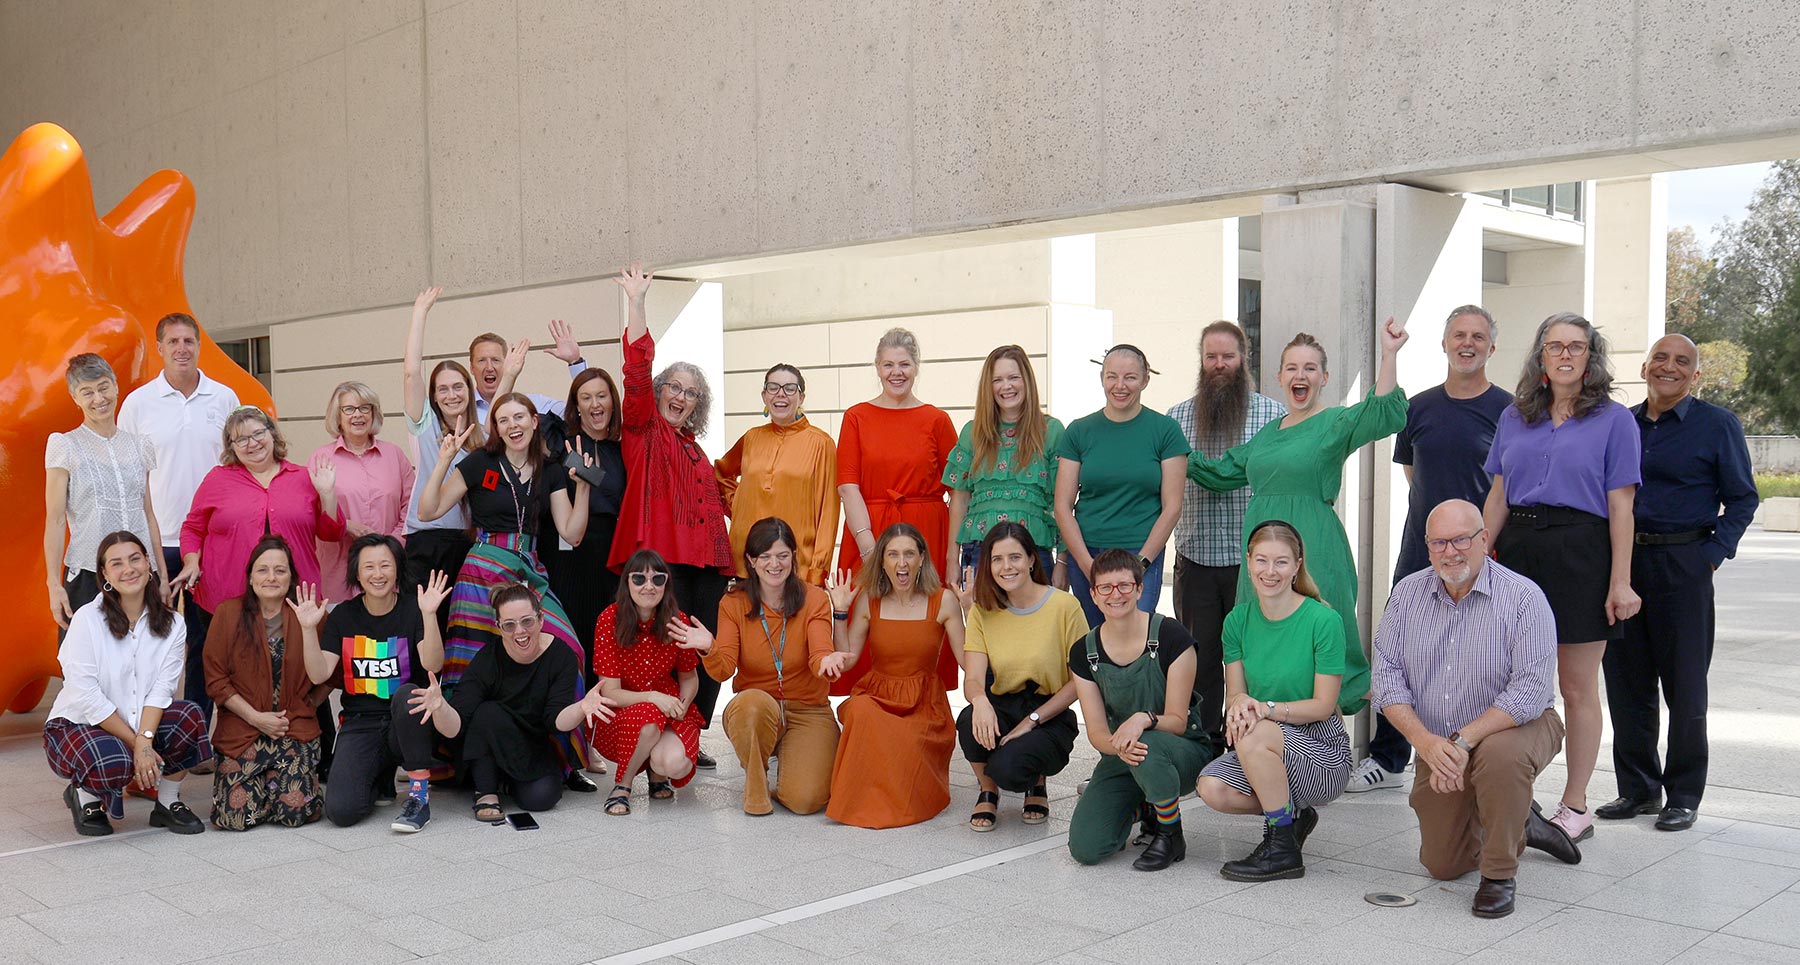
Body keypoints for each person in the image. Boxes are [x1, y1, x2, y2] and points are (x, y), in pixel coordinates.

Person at [1187, 320, 1412, 720]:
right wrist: (1170, 449)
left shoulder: (1335, 422)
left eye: (1310, 368)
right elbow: (1221, 472)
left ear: (1323, 377)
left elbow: (1384, 413)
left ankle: (1342, 749)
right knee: (1261, 634)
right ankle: (1260, 735)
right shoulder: (1267, 434)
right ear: (1279, 377)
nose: (1300, 375)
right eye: (1292, 368)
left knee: (1322, 637)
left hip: (1315, 548)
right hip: (1261, 553)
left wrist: (1389, 354)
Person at [1373, 500, 1582, 919]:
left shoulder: (1524, 598)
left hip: (1521, 726)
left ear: (1484, 539)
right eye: (1439, 543)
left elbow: (1529, 690)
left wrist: (1464, 741)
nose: (1450, 551)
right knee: (1443, 865)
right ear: (1427, 546)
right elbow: (1386, 680)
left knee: (1499, 757)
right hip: (1440, 741)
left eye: (1461, 540)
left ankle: (1500, 873)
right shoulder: (1406, 595)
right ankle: (1519, 818)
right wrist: (1426, 744)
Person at [1483, 312, 1642, 844]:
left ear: (1591, 357)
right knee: (1509, 681)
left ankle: (1575, 805)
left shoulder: (1616, 421)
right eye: (1555, 346)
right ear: (1541, 356)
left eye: (1577, 346)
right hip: (1520, 551)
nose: (1566, 354)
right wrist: (1476, 559)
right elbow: (1500, 495)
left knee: (1575, 686)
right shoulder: (1514, 416)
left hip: (1583, 553)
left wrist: (1620, 582)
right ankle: (1507, 795)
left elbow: (1622, 508)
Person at [1598, 334, 1758, 832]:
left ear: (1694, 375)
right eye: (1661, 358)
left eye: (1682, 362)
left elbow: (1743, 500)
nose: (1669, 367)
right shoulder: (1618, 423)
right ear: (1645, 366)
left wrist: (1708, 557)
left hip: (1683, 565)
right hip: (1622, 565)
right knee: (1627, 683)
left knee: (1685, 686)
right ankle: (1638, 791)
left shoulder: (1717, 425)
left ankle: (1683, 794)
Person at [1354, 305, 1513, 793]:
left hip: (1482, 553)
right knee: (1400, 648)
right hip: (1419, 550)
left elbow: (1507, 484)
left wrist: (1479, 542)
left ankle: (1469, 750)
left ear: (1491, 346)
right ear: (1444, 344)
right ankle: (1388, 756)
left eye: (1478, 336)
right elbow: (1412, 472)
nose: (1468, 343)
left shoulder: (1509, 410)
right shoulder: (1418, 407)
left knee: (1475, 653)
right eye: (1459, 335)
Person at [415, 391, 599, 789]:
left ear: (535, 421)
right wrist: (446, 458)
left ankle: (565, 757)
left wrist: (583, 487)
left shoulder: (550, 468)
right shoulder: (479, 463)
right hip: (483, 566)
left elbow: (572, 532)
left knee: (571, 648)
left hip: (529, 570)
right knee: (471, 662)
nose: (512, 426)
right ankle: (461, 760)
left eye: (520, 417)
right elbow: (427, 510)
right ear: (494, 428)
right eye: (503, 420)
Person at [608, 265, 733, 757]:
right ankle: (666, 731)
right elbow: (635, 369)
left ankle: (693, 734)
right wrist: (637, 303)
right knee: (668, 650)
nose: (682, 396)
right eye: (675, 387)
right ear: (660, 390)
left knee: (706, 647)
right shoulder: (643, 430)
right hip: (665, 563)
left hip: (709, 565)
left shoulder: (696, 449)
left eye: (692, 393)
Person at [1196, 521, 1354, 881]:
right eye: (1262, 561)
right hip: (1263, 741)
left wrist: (1264, 711)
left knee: (1255, 734)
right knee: (1212, 788)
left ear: (1298, 565)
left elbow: (1323, 705)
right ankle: (1290, 816)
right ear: (1248, 562)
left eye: (1281, 562)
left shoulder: (1323, 620)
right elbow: (1235, 692)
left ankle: (1282, 848)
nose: (1270, 572)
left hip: (1321, 749)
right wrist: (1239, 708)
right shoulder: (1237, 621)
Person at [176, 406, 343, 734]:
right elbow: (193, 527)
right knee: (224, 671)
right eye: (241, 440)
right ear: (230, 447)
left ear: (272, 434)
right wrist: (191, 560)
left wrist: (328, 494)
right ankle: (221, 744)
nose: (251, 444)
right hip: (226, 594)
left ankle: (317, 750)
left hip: (297, 597)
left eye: (257, 434)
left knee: (304, 671)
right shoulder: (217, 479)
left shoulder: (302, 477)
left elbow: (331, 533)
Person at [117, 312, 240, 734]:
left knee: (206, 644)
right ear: (160, 348)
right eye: (174, 342)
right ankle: (144, 734)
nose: (182, 348)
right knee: (151, 642)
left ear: (199, 345)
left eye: (189, 341)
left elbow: (236, 464)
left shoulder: (224, 399)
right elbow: (127, 473)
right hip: (157, 540)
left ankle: (197, 736)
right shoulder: (137, 404)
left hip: (211, 541)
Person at [1166, 321, 1286, 746]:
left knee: (1252, 657)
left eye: (1227, 357)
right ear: (1201, 361)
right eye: (1211, 357)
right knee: (1200, 657)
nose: (1219, 365)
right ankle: (1206, 742)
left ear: (1244, 359)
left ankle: (1253, 743)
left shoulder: (1273, 416)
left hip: (1253, 563)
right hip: (1195, 558)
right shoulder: (1176, 418)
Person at [43, 531, 209, 836]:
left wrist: (144, 739)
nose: (128, 569)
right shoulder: (87, 619)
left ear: (148, 564)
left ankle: (167, 802)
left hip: (137, 722)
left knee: (190, 716)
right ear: (105, 574)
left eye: (135, 559)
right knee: (115, 759)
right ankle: (85, 796)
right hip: (77, 725)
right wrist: (140, 745)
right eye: (116, 564)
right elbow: (86, 694)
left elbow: (162, 691)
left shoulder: (173, 625)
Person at [407, 583, 616, 822]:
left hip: (530, 744)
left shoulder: (562, 656)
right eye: (509, 625)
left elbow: (556, 720)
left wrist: (581, 708)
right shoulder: (487, 659)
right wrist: (441, 706)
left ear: (541, 619)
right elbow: (456, 727)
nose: (520, 631)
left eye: (527, 621)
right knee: (488, 712)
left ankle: (504, 783)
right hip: (486, 742)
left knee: (543, 798)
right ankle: (485, 791)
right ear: (499, 627)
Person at [1065, 551, 1212, 871]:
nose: (1115, 594)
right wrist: (1120, 745)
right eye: (1105, 588)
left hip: (1180, 750)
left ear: (1140, 589)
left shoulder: (1172, 636)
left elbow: (1176, 720)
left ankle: (1170, 834)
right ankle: (1145, 809)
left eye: (1124, 586)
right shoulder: (1083, 653)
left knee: (1148, 745)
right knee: (1086, 847)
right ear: (1093, 594)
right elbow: (1097, 733)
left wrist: (1141, 719)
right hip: (1124, 754)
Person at [834, 327, 960, 693]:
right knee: (867, 610)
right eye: (888, 364)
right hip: (868, 528)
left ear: (917, 366)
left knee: (922, 615)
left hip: (925, 530)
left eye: (904, 363)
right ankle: (868, 707)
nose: (896, 372)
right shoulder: (856, 416)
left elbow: (958, 492)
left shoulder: (937, 420)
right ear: (876, 366)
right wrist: (870, 550)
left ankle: (924, 703)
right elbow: (848, 485)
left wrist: (951, 554)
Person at [299, 534, 450, 832]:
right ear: (356, 572)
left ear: (397, 570)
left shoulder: (413, 610)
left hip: (407, 720)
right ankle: (381, 776)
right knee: (341, 811)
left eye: (385, 565)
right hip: (360, 722)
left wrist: (429, 615)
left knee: (409, 695)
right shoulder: (343, 616)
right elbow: (319, 674)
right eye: (369, 567)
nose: (377, 574)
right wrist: (308, 630)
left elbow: (433, 664)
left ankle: (419, 797)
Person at [821, 523, 966, 829]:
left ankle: (898, 802)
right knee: (860, 710)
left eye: (909, 554)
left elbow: (969, 661)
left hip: (924, 703)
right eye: (893, 554)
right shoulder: (868, 600)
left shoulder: (943, 600)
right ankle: (861, 802)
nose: (902, 563)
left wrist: (974, 614)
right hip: (879, 694)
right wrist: (840, 613)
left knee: (907, 741)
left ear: (922, 558)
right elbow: (846, 662)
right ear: (882, 561)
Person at [700, 517, 840, 816]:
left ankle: (787, 775)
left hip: (807, 709)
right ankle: (756, 785)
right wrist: (707, 647)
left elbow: (819, 653)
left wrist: (827, 660)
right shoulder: (733, 602)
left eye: (782, 555)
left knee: (805, 801)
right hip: (759, 706)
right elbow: (723, 669)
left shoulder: (814, 599)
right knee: (752, 705)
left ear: (793, 557)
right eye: (764, 556)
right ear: (751, 560)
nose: (774, 564)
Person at [957, 522, 1084, 831]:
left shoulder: (1064, 606)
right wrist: (981, 702)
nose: (1006, 567)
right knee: (967, 718)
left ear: (1031, 560)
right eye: (997, 559)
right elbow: (973, 678)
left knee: (1010, 768)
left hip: (1048, 710)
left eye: (1014, 557)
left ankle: (1036, 782)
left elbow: (1080, 681)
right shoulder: (983, 609)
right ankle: (988, 789)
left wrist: (1032, 720)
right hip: (1003, 703)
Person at [1056, 344, 1190, 626]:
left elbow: (1172, 506)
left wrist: (1141, 563)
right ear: (1102, 378)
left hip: (1141, 553)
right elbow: (1063, 506)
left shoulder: (1165, 430)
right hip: (1088, 552)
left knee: (1135, 638)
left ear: (1145, 380)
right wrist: (1085, 564)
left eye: (1130, 377)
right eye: (1111, 376)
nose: (1120, 385)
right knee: (1093, 639)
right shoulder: (1079, 431)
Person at [202, 536, 325, 830]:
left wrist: (302, 706)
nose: (271, 577)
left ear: (292, 577)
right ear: (250, 576)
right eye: (263, 570)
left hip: (291, 727)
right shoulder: (227, 613)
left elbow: (329, 676)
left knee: (293, 814)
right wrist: (257, 718)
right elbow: (216, 679)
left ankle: (277, 784)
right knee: (235, 818)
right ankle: (269, 783)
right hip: (243, 729)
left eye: (280, 570)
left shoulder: (310, 614)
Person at [45, 353, 167, 632]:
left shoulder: (140, 445)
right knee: (88, 667)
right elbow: (54, 520)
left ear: (115, 387)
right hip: (89, 573)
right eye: (87, 392)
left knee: (145, 661)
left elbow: (148, 514)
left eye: (103, 387)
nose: (98, 398)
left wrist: (161, 574)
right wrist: (53, 584)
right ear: (75, 398)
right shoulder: (65, 445)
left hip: (141, 574)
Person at [592, 550, 713, 815]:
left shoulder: (677, 619)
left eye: (658, 579)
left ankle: (657, 774)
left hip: (669, 705)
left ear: (666, 584)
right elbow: (610, 692)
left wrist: (683, 702)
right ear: (627, 583)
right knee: (647, 717)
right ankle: (623, 785)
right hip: (624, 708)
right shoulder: (609, 620)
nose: (649, 586)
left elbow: (689, 677)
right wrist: (653, 697)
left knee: (675, 764)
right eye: (639, 579)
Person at [944, 345, 1066, 584]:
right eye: (997, 380)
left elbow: (1063, 504)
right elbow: (959, 501)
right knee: (985, 622)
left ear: (1027, 381)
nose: (1006, 386)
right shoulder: (973, 433)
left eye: (1013, 377)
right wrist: (951, 560)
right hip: (980, 552)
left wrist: (1063, 562)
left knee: (1035, 622)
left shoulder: (1051, 431)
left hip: (1034, 553)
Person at [403, 287, 484, 633]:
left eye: (458, 387)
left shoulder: (483, 435)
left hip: (467, 542)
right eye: (443, 389)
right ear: (434, 396)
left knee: (462, 626)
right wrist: (420, 312)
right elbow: (411, 373)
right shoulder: (425, 425)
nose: (451, 395)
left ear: (470, 390)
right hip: (427, 540)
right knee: (424, 625)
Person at [715, 364, 840, 586]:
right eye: (773, 387)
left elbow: (828, 512)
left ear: (801, 398)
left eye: (790, 388)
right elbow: (721, 474)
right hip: (747, 563)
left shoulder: (822, 444)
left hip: (795, 566)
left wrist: (817, 571)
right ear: (764, 396)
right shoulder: (751, 438)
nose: (781, 393)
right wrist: (738, 506)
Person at [542, 367, 628, 667]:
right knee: (570, 639)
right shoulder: (561, 444)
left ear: (612, 402)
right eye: (586, 397)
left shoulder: (622, 451)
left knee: (606, 641)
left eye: (602, 396)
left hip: (610, 557)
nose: (595, 404)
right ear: (576, 405)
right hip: (567, 554)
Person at [310, 381, 414, 601]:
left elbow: (411, 507)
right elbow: (310, 512)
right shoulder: (320, 459)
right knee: (344, 634)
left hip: (386, 571)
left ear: (373, 412)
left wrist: (391, 546)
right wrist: (345, 525)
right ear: (337, 416)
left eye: (364, 408)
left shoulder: (394, 455)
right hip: (339, 571)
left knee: (385, 633)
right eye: (349, 409)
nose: (357, 415)